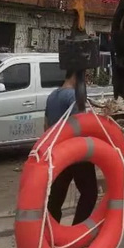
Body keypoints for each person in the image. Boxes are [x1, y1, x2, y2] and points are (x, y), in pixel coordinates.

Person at [46, 71, 98, 225]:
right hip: (77, 153)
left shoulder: (52, 96)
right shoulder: (73, 97)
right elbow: (82, 125)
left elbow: (46, 125)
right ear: (77, 76)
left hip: (58, 152)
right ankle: (77, 230)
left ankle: (51, 231)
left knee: (56, 195)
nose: (87, 82)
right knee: (89, 192)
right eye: (86, 77)